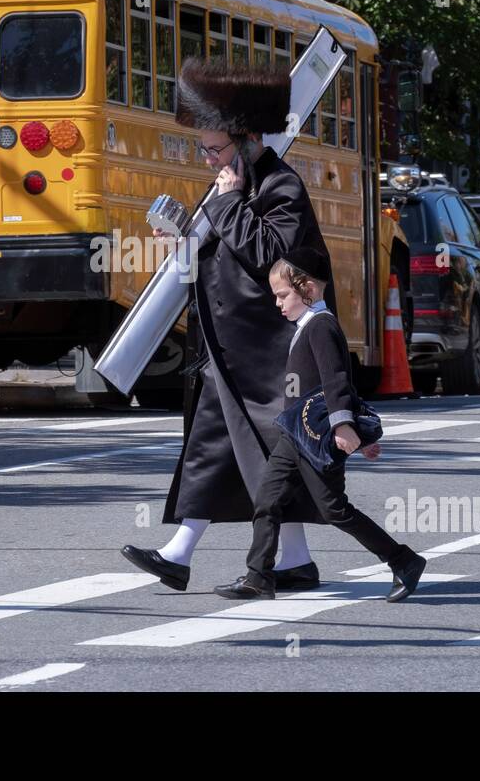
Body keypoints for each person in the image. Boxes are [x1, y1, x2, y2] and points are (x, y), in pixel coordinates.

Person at [120, 58, 335, 592]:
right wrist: (183, 244)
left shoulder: (279, 186)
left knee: (266, 451)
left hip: (268, 351)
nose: (208, 158)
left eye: (214, 148)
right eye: (205, 149)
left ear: (244, 139)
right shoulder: (229, 185)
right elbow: (217, 259)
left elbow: (269, 258)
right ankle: (189, 553)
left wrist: (231, 200)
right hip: (230, 347)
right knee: (213, 448)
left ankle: (288, 560)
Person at [215, 247, 427, 601]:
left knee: (335, 510)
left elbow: (336, 380)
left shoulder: (321, 326)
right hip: (294, 435)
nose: (278, 303)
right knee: (267, 500)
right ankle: (258, 576)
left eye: (283, 295)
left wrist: (346, 427)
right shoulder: (307, 326)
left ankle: (403, 560)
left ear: (307, 289)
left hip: (317, 438)